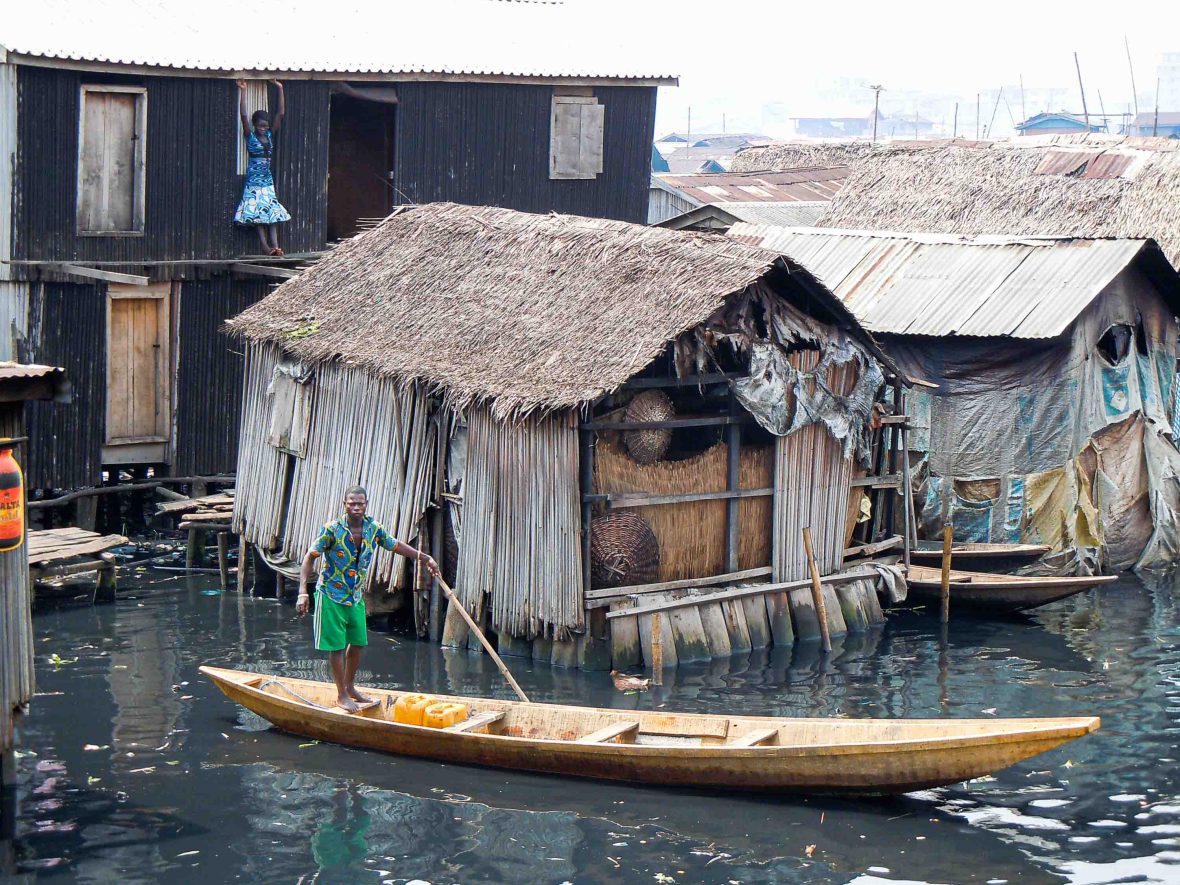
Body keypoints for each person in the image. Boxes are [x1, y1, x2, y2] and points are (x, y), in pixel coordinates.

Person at [298, 486, 440, 712]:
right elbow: (309, 557)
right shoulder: (332, 530)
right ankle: (341, 695)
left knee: (359, 643)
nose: (356, 507)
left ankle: (350, 687)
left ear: (366, 504)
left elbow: (396, 545)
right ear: (344, 504)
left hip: (354, 596)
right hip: (331, 594)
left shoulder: (373, 529)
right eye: (351, 503)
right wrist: (303, 591)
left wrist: (425, 558)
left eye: (360, 503)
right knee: (336, 647)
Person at [234, 79, 291, 256]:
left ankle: (276, 246)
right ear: (254, 125)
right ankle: (265, 247)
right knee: (257, 213)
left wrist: (280, 88)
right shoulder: (250, 137)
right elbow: (243, 115)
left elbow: (280, 113)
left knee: (272, 212)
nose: (263, 129)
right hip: (254, 180)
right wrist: (243, 91)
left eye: (265, 126)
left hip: (267, 180)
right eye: (260, 126)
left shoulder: (269, 135)